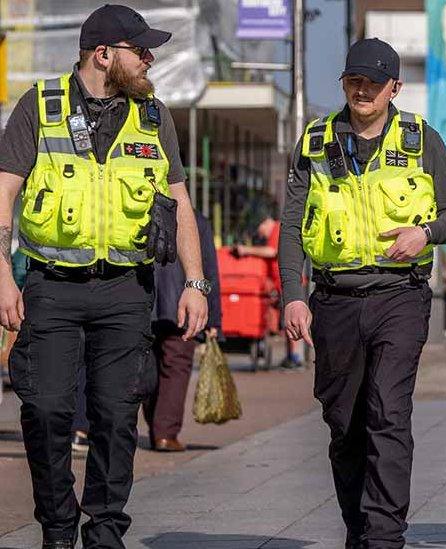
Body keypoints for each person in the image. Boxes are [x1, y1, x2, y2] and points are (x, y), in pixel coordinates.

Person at [0, 5, 210, 548]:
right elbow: (4, 193)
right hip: (51, 288)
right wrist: (2, 274)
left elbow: (179, 201)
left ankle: (106, 531)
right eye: (139, 50)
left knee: (117, 418)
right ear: (103, 55)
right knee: (45, 410)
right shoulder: (39, 107)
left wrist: (195, 282)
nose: (149, 59)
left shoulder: (153, 116)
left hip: (125, 291)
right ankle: (59, 528)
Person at [278, 38, 446, 548]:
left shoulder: (422, 139)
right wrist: (291, 296)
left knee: (388, 412)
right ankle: (358, 527)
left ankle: (384, 536)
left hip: (399, 297)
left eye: (373, 82)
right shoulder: (314, 142)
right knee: (345, 426)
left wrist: (423, 233)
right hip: (333, 300)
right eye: (353, 81)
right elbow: (292, 223)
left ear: (394, 88)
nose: (362, 90)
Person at [143, 209, 222, 452]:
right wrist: (214, 320)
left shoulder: (144, 213)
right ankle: (165, 433)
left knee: (150, 366)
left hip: (147, 303)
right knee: (176, 367)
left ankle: (158, 427)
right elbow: (209, 268)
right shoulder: (197, 221)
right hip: (183, 305)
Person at [234, 212, 303, 369]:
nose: (260, 234)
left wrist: (247, 250)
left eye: (259, 229)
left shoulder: (278, 229)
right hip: (282, 284)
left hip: (288, 283)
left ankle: (295, 357)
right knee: (287, 322)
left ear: (265, 223)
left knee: (292, 320)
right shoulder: (277, 230)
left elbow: (272, 251)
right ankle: (291, 356)